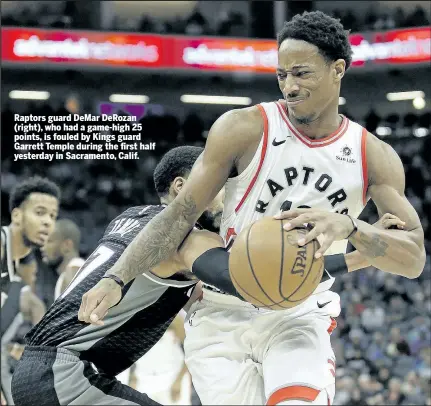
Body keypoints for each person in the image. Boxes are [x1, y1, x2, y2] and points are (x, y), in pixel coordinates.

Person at [80, 10, 425, 406]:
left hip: (299, 314)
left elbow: (413, 259)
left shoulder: (373, 157)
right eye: (282, 75)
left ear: (338, 69)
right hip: (221, 313)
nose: (290, 86)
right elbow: (179, 216)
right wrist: (116, 277)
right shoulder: (244, 128)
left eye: (302, 73)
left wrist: (349, 227)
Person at [11, 146, 225, 406]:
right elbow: (238, 278)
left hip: (34, 369)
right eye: (219, 182)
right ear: (181, 186)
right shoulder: (188, 237)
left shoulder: (127, 217)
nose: (225, 195)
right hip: (65, 374)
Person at [1, 176, 60, 405]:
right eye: (40, 212)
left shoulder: (15, 264)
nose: (47, 222)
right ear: (17, 215)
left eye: (52, 216)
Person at [41, 219, 85, 300]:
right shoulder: (66, 274)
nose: (43, 248)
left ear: (67, 245)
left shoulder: (74, 268)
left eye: (49, 241)